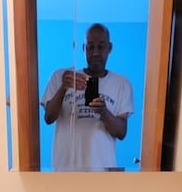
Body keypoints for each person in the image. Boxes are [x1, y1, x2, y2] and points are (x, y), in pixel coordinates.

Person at [40, 23, 134, 171]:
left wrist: (104, 112)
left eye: (101, 46)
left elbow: (121, 132)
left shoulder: (121, 84)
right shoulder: (61, 77)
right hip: (65, 173)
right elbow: (48, 118)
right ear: (83, 49)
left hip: (101, 174)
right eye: (90, 47)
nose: (95, 52)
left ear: (110, 48)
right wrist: (64, 88)